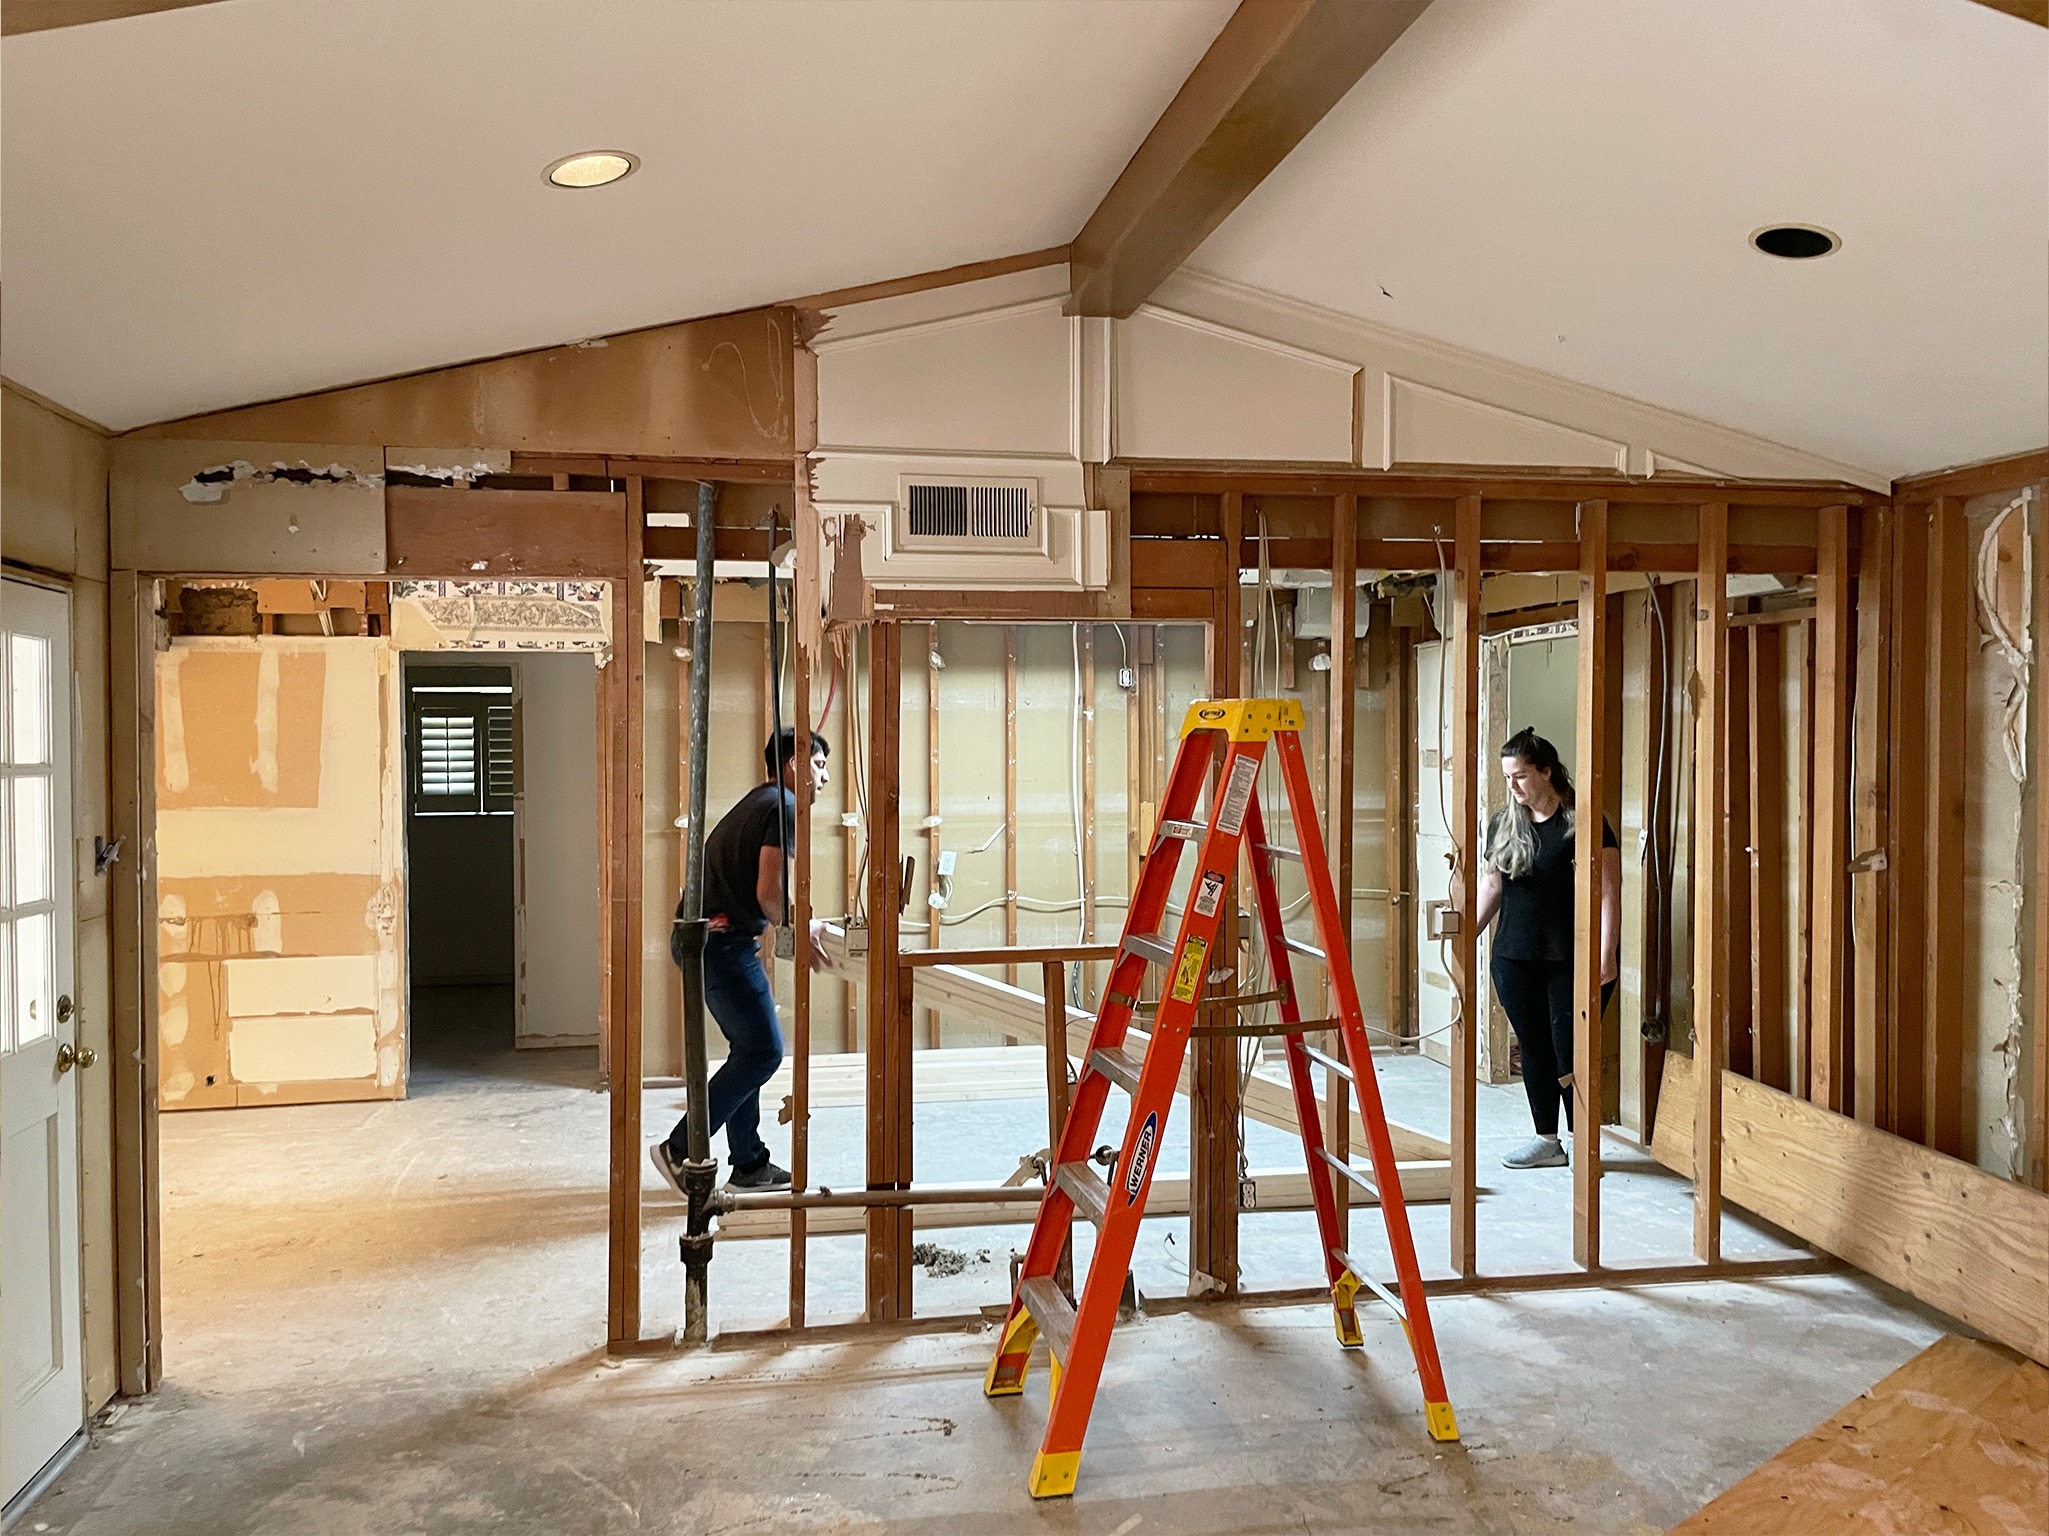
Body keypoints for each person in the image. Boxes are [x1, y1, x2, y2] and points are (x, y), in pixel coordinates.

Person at [651, 728, 831, 1194]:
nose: (824, 777)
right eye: (818, 765)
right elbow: (768, 892)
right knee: (764, 1051)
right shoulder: (783, 808)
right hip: (722, 942)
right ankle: (679, 1149)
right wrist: (798, 927)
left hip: (708, 940)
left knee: (748, 1050)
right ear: (794, 762)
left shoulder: (759, 801)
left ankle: (749, 1164)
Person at [1472, 726, 1621, 1169]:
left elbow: (1609, 891)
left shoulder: (1584, 822)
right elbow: (1492, 886)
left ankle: (1580, 1139)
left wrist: (1606, 953)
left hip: (1571, 957)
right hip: (1515, 956)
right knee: (1533, 1046)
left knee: (1570, 1049)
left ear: (1545, 772)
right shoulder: (1504, 823)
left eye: (1519, 776)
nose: (1512, 786)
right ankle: (1546, 1139)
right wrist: (1465, 938)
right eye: (1507, 778)